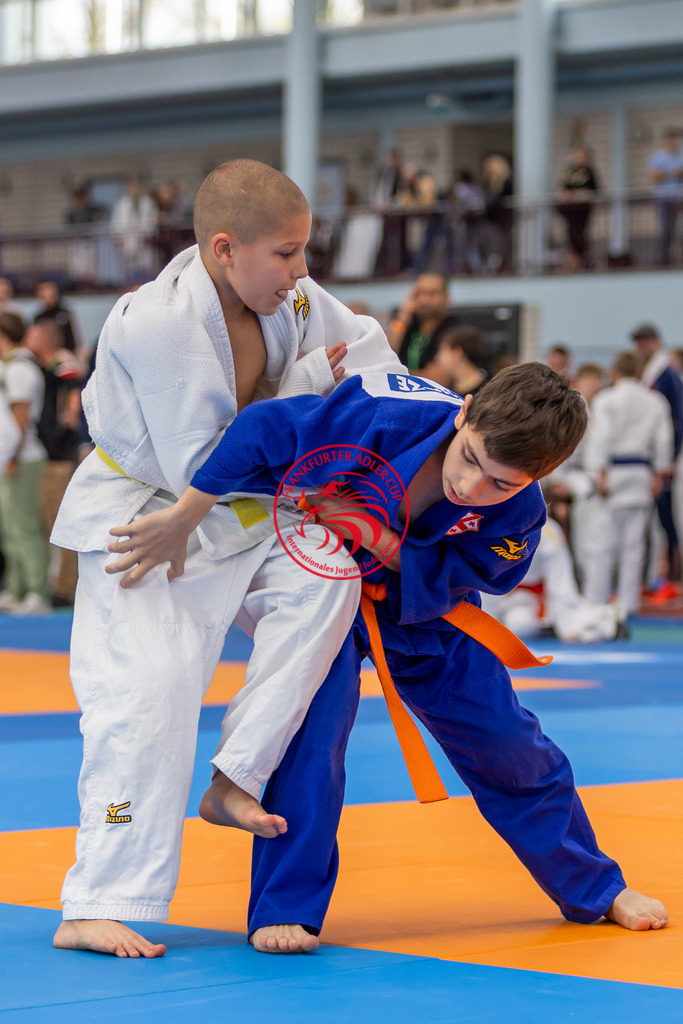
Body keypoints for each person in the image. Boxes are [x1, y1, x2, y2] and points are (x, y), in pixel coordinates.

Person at [109, 363, 667, 952]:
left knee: (509, 743)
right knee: (310, 735)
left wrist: (379, 539)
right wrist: (183, 517)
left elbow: (476, 575)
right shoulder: (379, 416)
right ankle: (285, 904)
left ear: (541, 476)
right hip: (330, 589)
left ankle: (596, 887)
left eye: (502, 483)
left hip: (429, 615)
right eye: (472, 458)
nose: (473, 488)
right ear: (465, 410)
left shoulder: (521, 514)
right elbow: (261, 427)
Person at [49, 158, 401, 959]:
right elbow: (199, 461)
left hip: (241, 510)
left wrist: (360, 409)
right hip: (147, 521)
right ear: (222, 248)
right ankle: (95, 901)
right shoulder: (157, 323)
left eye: (305, 250)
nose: (302, 272)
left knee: (328, 580)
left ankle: (236, 776)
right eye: (285, 254)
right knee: (147, 697)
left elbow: (373, 361)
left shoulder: (295, 297)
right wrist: (314, 395)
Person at [583, 351, 673, 616]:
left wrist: (598, 472)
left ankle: (597, 601)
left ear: (615, 373)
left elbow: (601, 437)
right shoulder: (654, 401)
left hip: (612, 471)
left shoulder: (607, 399)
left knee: (603, 542)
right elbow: (663, 440)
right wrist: (659, 474)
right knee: (634, 545)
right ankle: (628, 603)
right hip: (642, 473)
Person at [24, 320, 84, 608]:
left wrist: (69, 422)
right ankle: (60, 583)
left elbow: (75, 389)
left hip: (60, 454)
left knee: (61, 522)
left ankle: (66, 588)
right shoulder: (41, 365)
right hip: (48, 454)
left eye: (33, 333)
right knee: (49, 521)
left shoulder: (60, 361)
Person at [0, 312, 49, 615]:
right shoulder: (9, 367)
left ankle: (36, 591)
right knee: (10, 528)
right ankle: (16, 588)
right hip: (10, 458)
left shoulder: (19, 370)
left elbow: (19, 419)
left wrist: (12, 458)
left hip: (22, 459)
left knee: (24, 527)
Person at [630, 323, 683, 598]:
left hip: (667, 459)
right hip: (650, 459)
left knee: (668, 520)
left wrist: (670, 459)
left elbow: (676, 417)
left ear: (655, 342)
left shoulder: (667, 373)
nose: (641, 347)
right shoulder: (652, 372)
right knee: (654, 522)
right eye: (638, 343)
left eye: (645, 342)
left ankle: (673, 576)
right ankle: (656, 577)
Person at [386, 272, 458, 372]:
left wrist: (399, 376)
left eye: (432, 294)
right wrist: (402, 318)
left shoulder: (454, 329)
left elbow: (438, 377)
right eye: (419, 293)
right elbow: (387, 356)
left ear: (446, 297)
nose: (424, 300)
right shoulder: (408, 326)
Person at [556, 146, 599, 271]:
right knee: (571, 232)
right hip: (570, 208)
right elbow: (564, 186)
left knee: (580, 232)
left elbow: (594, 189)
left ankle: (580, 257)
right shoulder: (570, 170)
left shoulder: (589, 171)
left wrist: (580, 194)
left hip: (583, 207)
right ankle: (573, 257)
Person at [419, 323, 487, 396]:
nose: (437, 357)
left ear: (457, 353)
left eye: (441, 350)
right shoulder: (447, 393)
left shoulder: (488, 391)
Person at [648, 129, 683, 266]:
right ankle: (663, 260)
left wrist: (665, 174)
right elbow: (654, 176)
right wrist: (674, 173)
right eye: (672, 139)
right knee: (666, 230)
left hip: (679, 198)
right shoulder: (658, 157)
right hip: (664, 199)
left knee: (679, 230)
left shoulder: (680, 156)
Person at [33, 280, 82, 353]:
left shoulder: (64, 314)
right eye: (44, 296)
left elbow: (72, 340)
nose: (48, 299)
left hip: (64, 353)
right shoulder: (39, 318)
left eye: (50, 295)